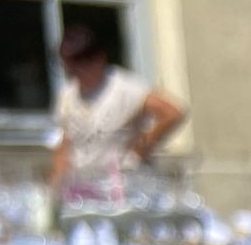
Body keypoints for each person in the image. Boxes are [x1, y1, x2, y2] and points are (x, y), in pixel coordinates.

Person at [48, 24, 187, 195]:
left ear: (98, 59)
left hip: (125, 187)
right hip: (84, 187)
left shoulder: (125, 88)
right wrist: (57, 186)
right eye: (67, 65)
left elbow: (173, 113)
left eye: (78, 64)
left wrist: (143, 147)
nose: (72, 72)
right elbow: (65, 144)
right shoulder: (68, 95)